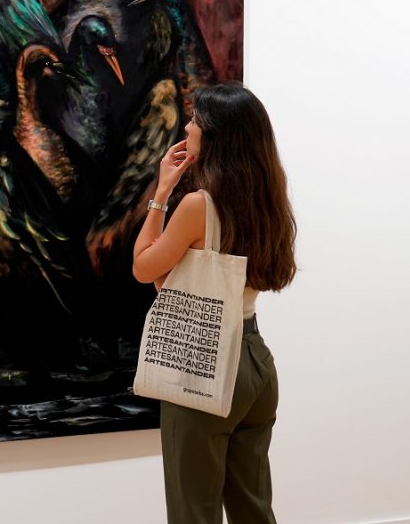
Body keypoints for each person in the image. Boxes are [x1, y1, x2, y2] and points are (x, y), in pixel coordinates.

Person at [132, 81, 297, 524]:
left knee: (194, 512)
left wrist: (160, 194)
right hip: (256, 363)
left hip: (203, 362)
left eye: (196, 120)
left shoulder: (198, 206)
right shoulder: (267, 201)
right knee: (253, 510)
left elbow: (144, 268)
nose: (188, 127)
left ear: (217, 135)